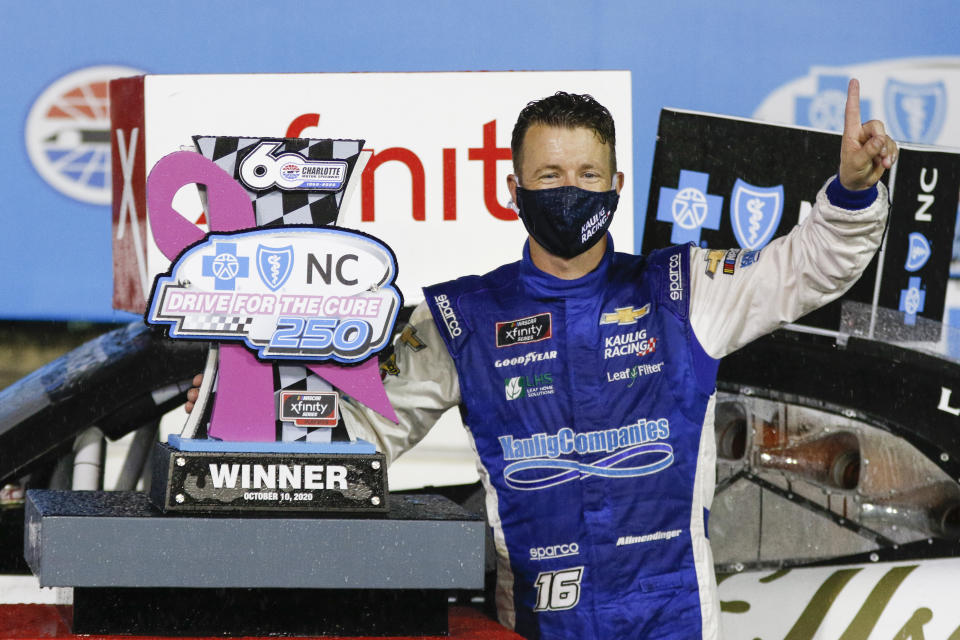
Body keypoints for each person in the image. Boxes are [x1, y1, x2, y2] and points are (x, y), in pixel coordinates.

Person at [187, 80, 895, 639]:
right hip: (530, 623)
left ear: (617, 188)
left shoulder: (685, 290)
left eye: (588, 173)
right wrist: (243, 407)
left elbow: (810, 269)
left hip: (672, 620)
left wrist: (855, 192)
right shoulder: (458, 318)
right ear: (513, 190)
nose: (569, 189)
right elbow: (356, 435)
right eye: (549, 173)